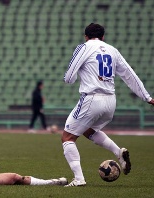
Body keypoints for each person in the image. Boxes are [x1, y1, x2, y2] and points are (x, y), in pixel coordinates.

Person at [62, 23, 154, 187]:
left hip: (91, 98)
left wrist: (74, 77)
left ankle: (79, 179)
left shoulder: (84, 47)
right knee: (88, 130)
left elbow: (69, 78)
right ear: (103, 37)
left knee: (67, 138)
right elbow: (129, 74)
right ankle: (118, 152)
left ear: (86, 36)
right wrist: (147, 98)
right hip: (110, 101)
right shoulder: (112, 50)